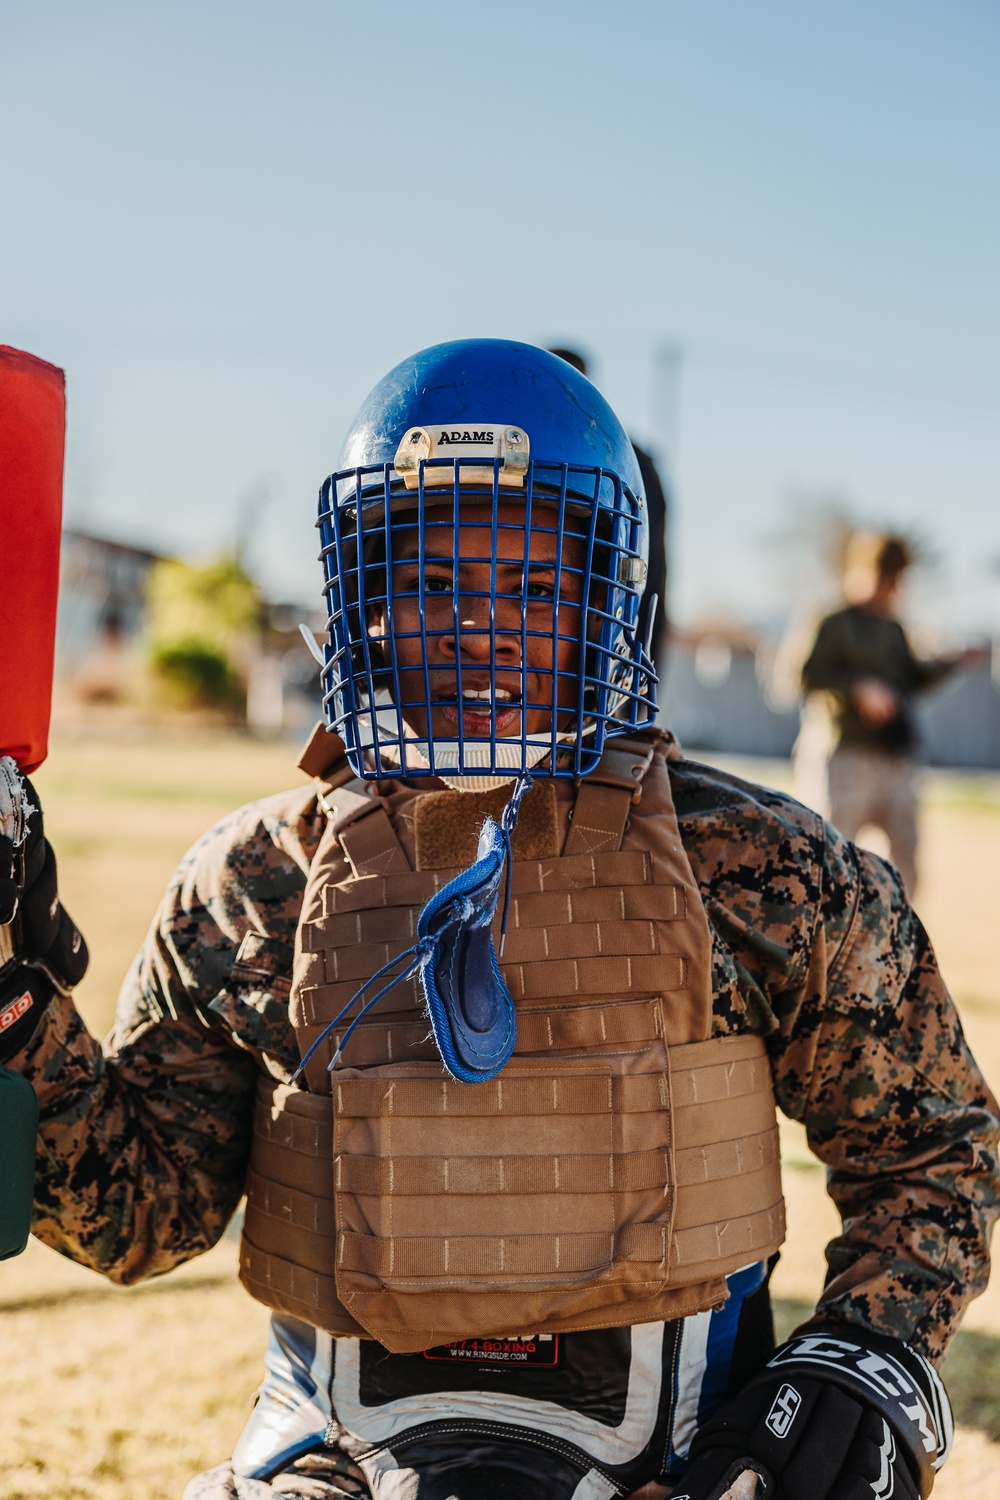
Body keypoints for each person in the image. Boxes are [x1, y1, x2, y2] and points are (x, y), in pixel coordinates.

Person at [0, 341, 996, 1500]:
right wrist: (12, 1007)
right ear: (358, 601)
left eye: (532, 588)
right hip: (331, 1459)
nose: (481, 627)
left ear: (607, 600)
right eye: (427, 584)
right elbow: (140, 1217)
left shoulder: (763, 871)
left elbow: (932, 1151)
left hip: (683, 1460)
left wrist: (864, 1360)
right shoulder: (254, 882)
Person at [800, 531, 983, 895]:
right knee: (828, 864)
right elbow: (805, 674)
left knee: (905, 870)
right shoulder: (833, 621)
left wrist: (948, 663)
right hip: (845, 757)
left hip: (895, 758)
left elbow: (909, 680)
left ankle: (893, 947)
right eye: (886, 578)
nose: (892, 588)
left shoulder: (893, 627)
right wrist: (857, 687)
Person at [547, 347, 670, 679]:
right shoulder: (502, 446)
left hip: (588, 645)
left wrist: (639, 665)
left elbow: (648, 573)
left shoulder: (627, 460)